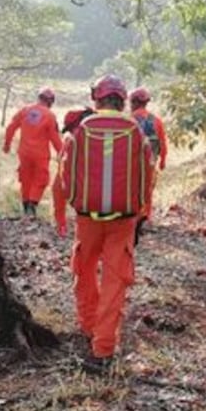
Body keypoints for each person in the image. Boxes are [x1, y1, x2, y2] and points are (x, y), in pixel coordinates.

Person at [61, 74, 153, 372]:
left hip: (87, 217)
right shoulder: (135, 131)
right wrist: (140, 213)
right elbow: (147, 177)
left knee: (84, 271)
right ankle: (103, 347)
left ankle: (89, 328)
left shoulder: (81, 129)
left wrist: (64, 209)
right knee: (115, 280)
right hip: (124, 219)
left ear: (97, 99)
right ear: (123, 99)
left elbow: (65, 174)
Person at [3, 86, 62, 217]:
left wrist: (7, 144)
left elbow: (10, 127)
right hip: (40, 155)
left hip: (24, 153)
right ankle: (32, 205)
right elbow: (55, 138)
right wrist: (62, 154)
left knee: (26, 179)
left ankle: (26, 207)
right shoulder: (50, 116)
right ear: (51, 101)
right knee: (41, 179)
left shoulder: (25, 110)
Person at [52, 107, 94, 238]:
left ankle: (62, 227)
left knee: (57, 189)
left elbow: (63, 162)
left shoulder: (73, 137)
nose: (70, 131)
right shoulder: (93, 133)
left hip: (77, 180)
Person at [128, 87, 168, 225]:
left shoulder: (127, 120)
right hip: (150, 164)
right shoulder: (156, 121)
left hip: (129, 165)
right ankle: (146, 216)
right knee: (147, 191)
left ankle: (131, 217)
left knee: (129, 190)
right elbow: (163, 143)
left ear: (132, 102)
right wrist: (162, 161)